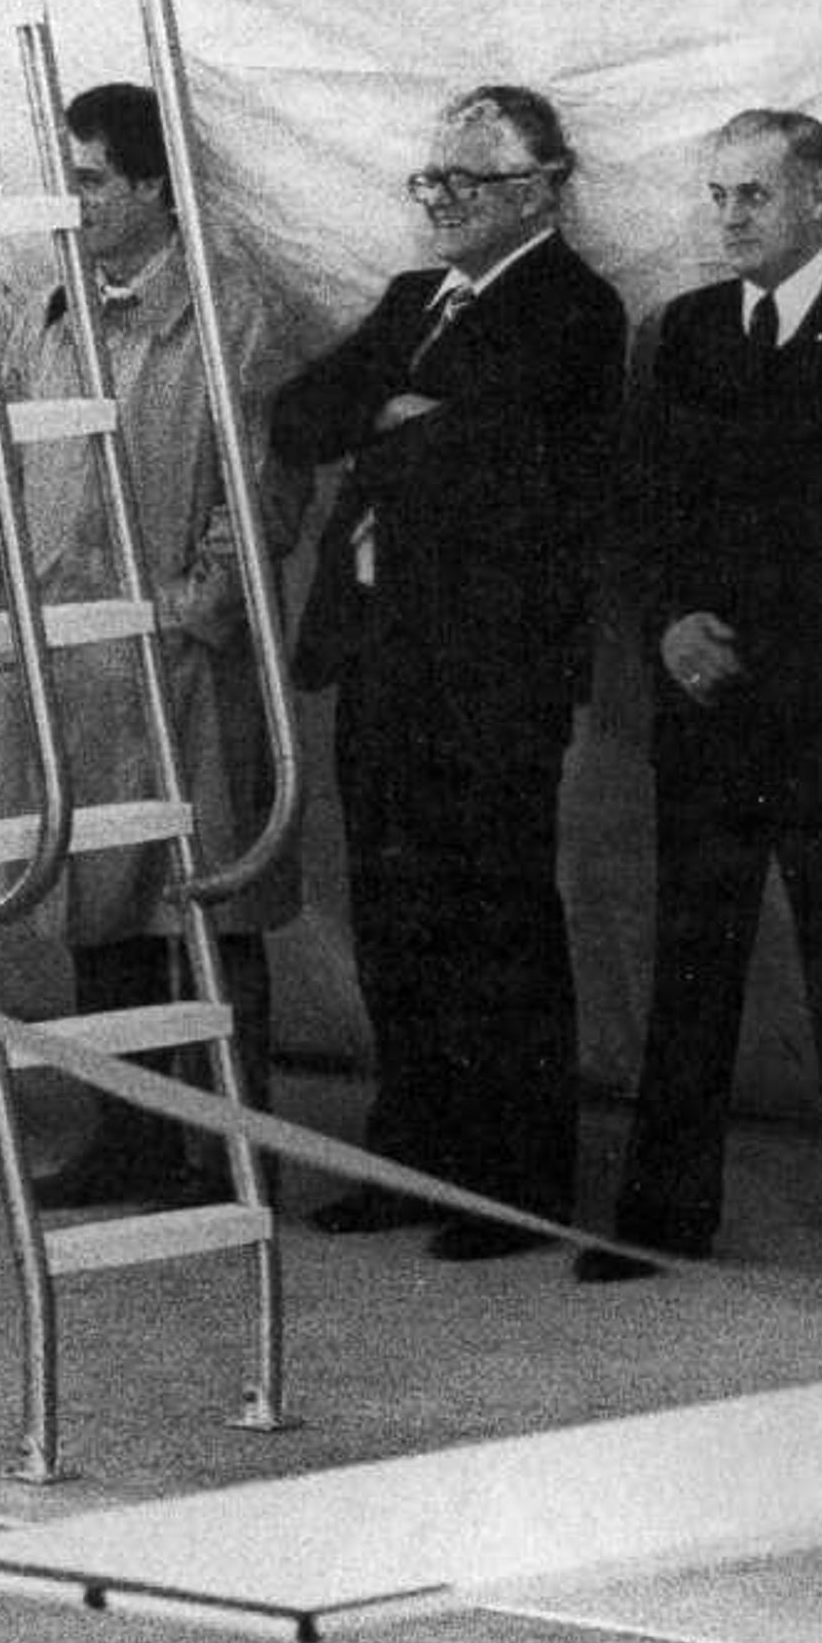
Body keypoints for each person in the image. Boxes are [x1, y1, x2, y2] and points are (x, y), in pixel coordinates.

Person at [273, 83, 625, 1258]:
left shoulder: (578, 310)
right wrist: (407, 409)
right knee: (393, 907)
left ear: (541, 191)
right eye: (432, 181)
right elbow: (302, 418)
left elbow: (501, 471)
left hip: (492, 671)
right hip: (381, 655)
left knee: (496, 914)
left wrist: (416, 424)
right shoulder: (411, 299)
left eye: (466, 183)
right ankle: (415, 1156)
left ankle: (516, 1185)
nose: (440, 202)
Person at [0, 81, 303, 1207]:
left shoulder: (231, 316)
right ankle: (130, 1132)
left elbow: (259, 490)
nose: (74, 198)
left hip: (178, 660)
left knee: (205, 901)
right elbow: (8, 466)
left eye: (93, 177)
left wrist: (196, 607)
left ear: (156, 184)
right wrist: (7, 591)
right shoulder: (47, 313)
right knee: (92, 910)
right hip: (69, 659)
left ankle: (227, 1146)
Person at [583, 107, 822, 1280]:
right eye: (719, 195)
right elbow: (638, 508)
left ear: (821, 200)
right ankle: (663, 1215)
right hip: (709, 703)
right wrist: (668, 626)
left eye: (755, 196)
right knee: (693, 963)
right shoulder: (684, 330)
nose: (728, 218)